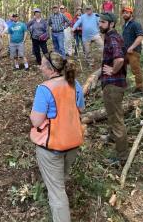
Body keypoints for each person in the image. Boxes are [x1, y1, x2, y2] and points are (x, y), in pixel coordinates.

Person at [30, 52, 84, 222]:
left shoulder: (44, 89)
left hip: (52, 146)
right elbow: (80, 110)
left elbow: (36, 121)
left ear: (50, 69)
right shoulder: (75, 83)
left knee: (57, 192)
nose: (40, 67)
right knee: (61, 179)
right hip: (73, 142)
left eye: (42, 64)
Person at [99, 13, 128, 165]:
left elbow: (120, 59)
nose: (100, 24)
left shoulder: (112, 38)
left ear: (111, 24)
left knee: (116, 119)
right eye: (100, 22)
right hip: (113, 84)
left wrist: (113, 70)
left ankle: (121, 157)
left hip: (113, 85)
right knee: (112, 114)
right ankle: (112, 136)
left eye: (103, 22)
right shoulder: (112, 36)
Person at [122, 6, 143, 92]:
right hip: (124, 52)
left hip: (133, 52)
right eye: (123, 13)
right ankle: (122, 85)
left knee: (136, 70)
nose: (125, 14)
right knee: (122, 68)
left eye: (127, 12)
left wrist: (132, 47)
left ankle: (140, 88)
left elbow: (140, 36)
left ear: (131, 14)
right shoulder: (124, 26)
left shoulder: (136, 24)